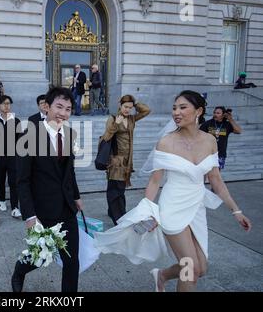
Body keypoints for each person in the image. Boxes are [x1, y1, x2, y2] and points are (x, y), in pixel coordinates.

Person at [94, 90, 252, 292]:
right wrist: (149, 211)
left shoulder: (210, 141)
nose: (176, 112)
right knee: (191, 269)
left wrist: (236, 211)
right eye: (174, 108)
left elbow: (216, 180)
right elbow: (154, 181)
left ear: (199, 111)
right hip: (172, 208)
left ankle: (162, 275)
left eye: (183, 107)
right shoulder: (166, 142)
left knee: (201, 268)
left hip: (196, 206)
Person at [11, 86, 84, 292]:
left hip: (67, 208)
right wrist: (29, 216)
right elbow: (22, 180)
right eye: (59, 106)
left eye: (68, 109)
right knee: (40, 257)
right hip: (42, 210)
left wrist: (76, 196)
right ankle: (20, 270)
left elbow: (69, 172)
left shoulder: (70, 134)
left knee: (71, 261)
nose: (63, 113)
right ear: (46, 107)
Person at [101, 95, 150, 225]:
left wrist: (136, 102)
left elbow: (146, 111)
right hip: (116, 160)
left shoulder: (132, 119)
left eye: (130, 107)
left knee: (118, 188)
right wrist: (116, 124)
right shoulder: (112, 118)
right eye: (125, 106)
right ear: (120, 105)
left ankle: (113, 211)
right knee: (116, 189)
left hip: (127, 161)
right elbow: (106, 137)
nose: (127, 109)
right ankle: (119, 216)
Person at [0, 95, 22, 218]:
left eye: (9, 104)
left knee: (13, 181)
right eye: (4, 104)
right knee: (0, 180)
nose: (7, 106)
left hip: (12, 156)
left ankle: (15, 207)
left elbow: (20, 140)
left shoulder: (16, 121)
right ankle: (2, 201)